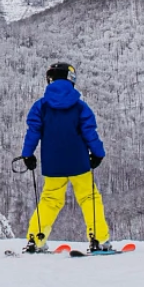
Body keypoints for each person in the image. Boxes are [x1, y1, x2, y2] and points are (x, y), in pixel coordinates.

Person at [16, 61, 112, 253]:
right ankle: (98, 239)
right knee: (89, 197)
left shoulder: (40, 107)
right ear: (71, 80)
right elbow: (90, 133)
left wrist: (28, 154)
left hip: (53, 164)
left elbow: (33, 132)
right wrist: (98, 154)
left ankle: (36, 239)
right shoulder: (80, 107)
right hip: (79, 162)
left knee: (50, 200)